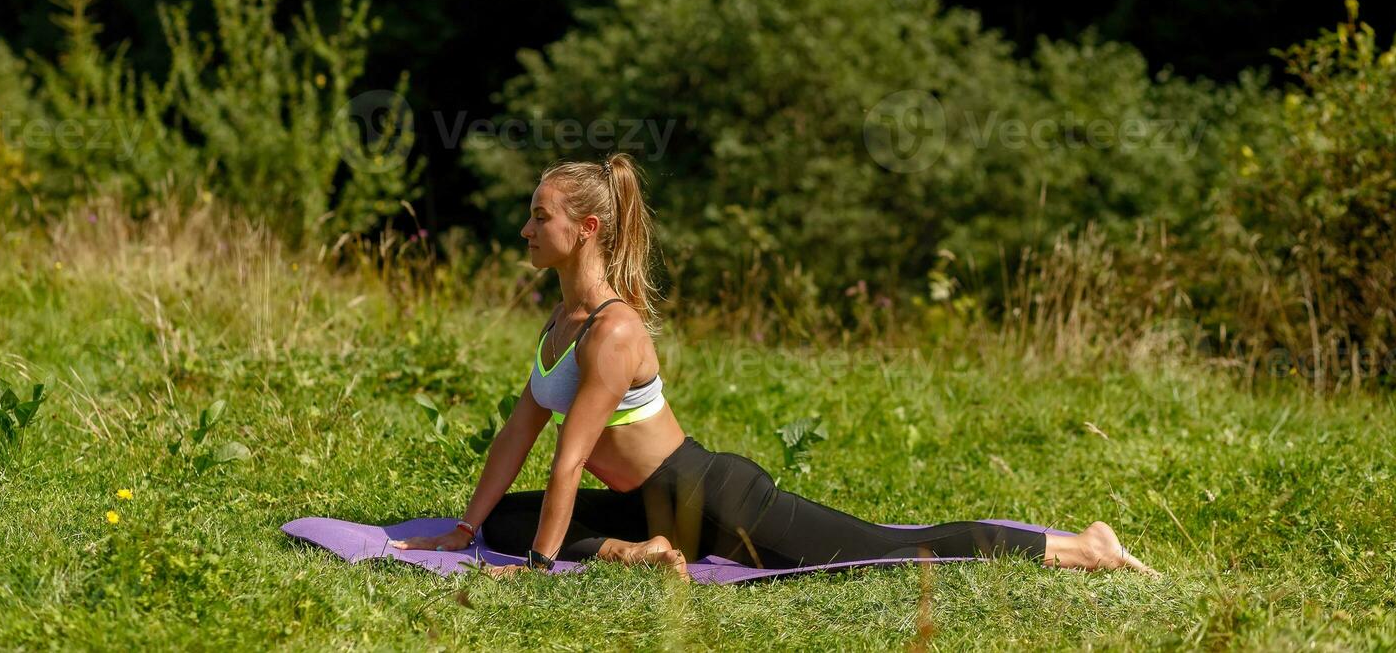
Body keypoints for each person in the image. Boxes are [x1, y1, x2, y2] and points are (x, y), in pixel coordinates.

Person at [392, 154, 1156, 581]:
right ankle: (642, 552)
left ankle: (1082, 548)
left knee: (887, 552)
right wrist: (464, 531)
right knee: (506, 515)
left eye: (540, 216)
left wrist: (533, 572)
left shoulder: (614, 330)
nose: (527, 228)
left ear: (586, 228)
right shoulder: (561, 321)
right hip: (655, 509)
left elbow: (570, 462)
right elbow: (518, 435)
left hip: (712, 495)